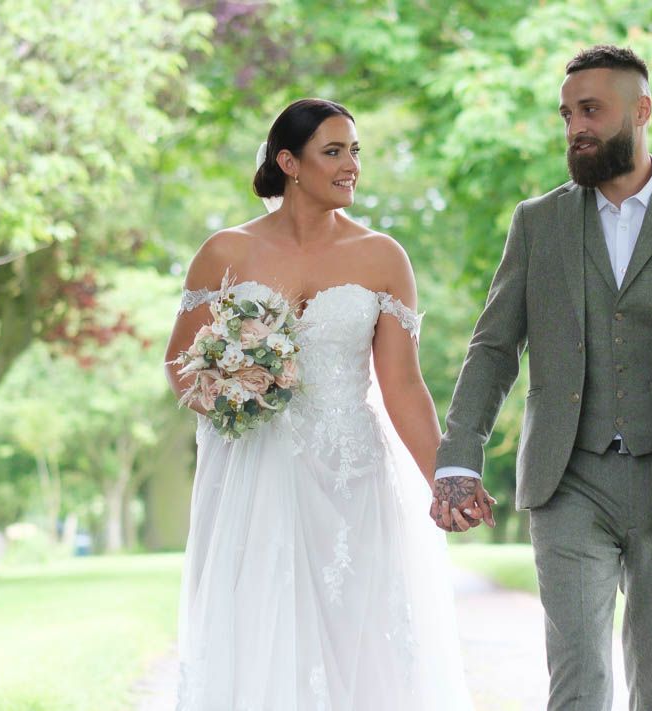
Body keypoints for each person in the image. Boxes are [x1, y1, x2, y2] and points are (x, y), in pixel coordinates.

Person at [431, 45, 652, 710]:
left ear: (641, 111)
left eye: (591, 109)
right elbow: (494, 346)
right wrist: (459, 457)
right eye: (566, 113)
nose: (575, 127)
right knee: (578, 678)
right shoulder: (538, 223)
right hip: (570, 482)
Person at [163, 98, 473, 710]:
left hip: (352, 474)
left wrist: (445, 478)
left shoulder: (384, 257)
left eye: (355, 151)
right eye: (334, 151)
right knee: (259, 628)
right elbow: (180, 364)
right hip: (254, 477)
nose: (351, 165)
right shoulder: (225, 253)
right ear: (289, 162)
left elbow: (403, 385)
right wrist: (233, 391)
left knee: (358, 633)